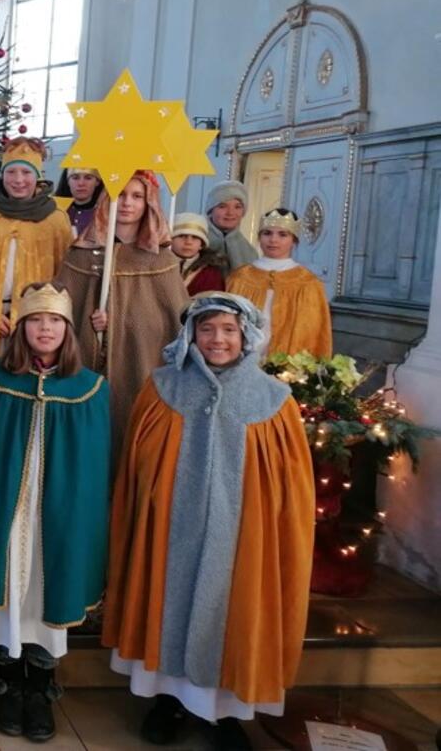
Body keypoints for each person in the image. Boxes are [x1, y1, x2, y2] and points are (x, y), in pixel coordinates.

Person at [102, 292, 314, 750]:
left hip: (243, 536)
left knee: (231, 611)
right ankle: (168, 703)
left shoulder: (274, 399)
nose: (217, 339)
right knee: (167, 602)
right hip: (170, 531)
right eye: (207, 329)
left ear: (246, 336)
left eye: (228, 330)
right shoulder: (161, 387)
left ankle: (222, 715)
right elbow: (137, 464)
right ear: (191, 334)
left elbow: (291, 486)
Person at [0, 283, 110, 742]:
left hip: (60, 514)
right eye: (37, 321)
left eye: (55, 321)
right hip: (6, 509)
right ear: (21, 329)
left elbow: (97, 464)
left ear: (69, 330)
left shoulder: (92, 389)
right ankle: (7, 680)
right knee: (10, 585)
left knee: (47, 586)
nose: (46, 329)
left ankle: (41, 684)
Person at [53, 171, 188, 462]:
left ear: (148, 203)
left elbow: (172, 323)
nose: (127, 203)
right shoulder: (82, 254)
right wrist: (90, 326)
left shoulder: (161, 259)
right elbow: (61, 311)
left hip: (140, 368)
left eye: (137, 196)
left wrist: (116, 322)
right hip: (90, 371)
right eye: (120, 195)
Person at [0, 137, 74, 367]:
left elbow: (63, 280)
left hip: (36, 322)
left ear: (37, 176)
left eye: (26, 172)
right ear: (3, 175)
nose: (18, 180)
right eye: (11, 172)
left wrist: (30, 315)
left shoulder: (55, 220)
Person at [227, 208, 332, 358]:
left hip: (288, 366)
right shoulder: (240, 278)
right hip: (242, 361)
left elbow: (315, 332)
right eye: (267, 233)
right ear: (259, 237)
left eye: (283, 235)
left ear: (294, 240)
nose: (273, 240)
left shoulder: (308, 283)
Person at [205, 180, 258, 271]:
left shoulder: (250, 253)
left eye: (237, 207)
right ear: (211, 210)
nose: (230, 213)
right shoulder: (196, 243)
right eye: (222, 206)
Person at [170, 212, 227, 296]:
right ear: (170, 240)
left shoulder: (211, 274)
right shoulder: (157, 267)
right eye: (182, 236)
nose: (188, 242)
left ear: (202, 244)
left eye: (195, 237)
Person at [53, 167, 105, 237]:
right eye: (75, 178)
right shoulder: (54, 212)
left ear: (97, 182)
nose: (81, 183)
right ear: (67, 181)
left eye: (88, 178)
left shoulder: (106, 215)